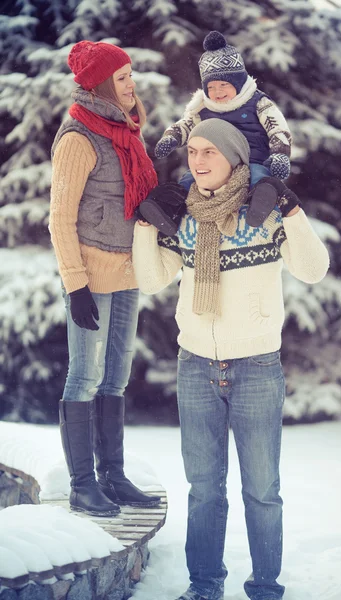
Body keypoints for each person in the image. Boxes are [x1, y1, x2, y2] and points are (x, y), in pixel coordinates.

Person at [133, 119, 330, 600]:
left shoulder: (262, 210)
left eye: (209, 153)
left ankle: (265, 587)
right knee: (203, 490)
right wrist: (144, 223)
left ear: (236, 160)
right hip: (196, 366)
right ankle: (204, 585)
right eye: (193, 151)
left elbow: (313, 269)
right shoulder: (184, 215)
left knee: (262, 491)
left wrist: (292, 209)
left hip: (257, 368)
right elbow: (152, 279)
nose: (197, 161)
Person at [49, 40, 161, 517]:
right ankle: (81, 484)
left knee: (115, 377)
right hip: (91, 276)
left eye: (130, 75)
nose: (131, 84)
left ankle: (112, 476)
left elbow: (133, 198)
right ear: (100, 84)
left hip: (128, 269)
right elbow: (60, 218)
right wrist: (75, 285)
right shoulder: (79, 137)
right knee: (85, 376)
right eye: (122, 78)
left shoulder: (126, 132)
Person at [138, 30, 292, 235]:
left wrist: (280, 154)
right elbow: (186, 124)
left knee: (259, 178)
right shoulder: (203, 107)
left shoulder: (257, 102)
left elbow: (277, 128)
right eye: (211, 87)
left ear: (238, 83)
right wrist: (171, 138)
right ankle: (169, 211)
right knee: (188, 180)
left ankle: (259, 209)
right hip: (214, 165)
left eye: (224, 85)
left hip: (252, 160)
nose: (217, 92)